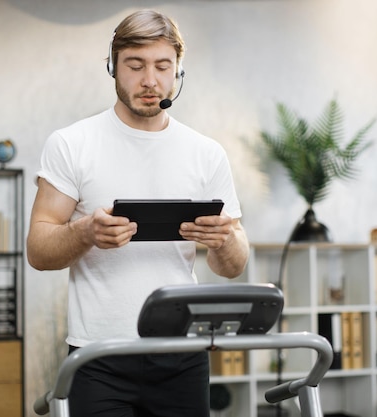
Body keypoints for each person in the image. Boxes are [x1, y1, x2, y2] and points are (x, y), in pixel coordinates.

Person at [27, 9, 249, 417]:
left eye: (163, 66)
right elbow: (38, 250)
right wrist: (85, 233)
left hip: (183, 354)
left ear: (178, 71)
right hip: (98, 358)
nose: (150, 80)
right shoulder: (71, 144)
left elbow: (232, 265)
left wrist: (226, 240)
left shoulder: (206, 153)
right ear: (113, 66)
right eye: (135, 65)